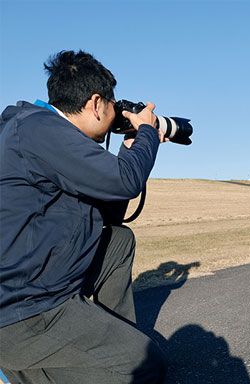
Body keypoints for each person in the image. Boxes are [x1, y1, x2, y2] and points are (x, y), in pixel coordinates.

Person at [0, 50, 169, 383]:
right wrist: (148, 132)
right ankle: (25, 368)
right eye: (112, 104)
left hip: (40, 283)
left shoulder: (40, 131)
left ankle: (107, 336)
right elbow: (126, 181)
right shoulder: (40, 130)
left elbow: (111, 205)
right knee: (144, 366)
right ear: (95, 103)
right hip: (24, 309)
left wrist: (129, 147)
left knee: (117, 241)